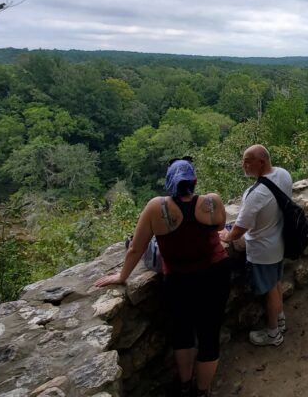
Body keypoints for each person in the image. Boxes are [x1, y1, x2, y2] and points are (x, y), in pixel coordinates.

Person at [95, 158, 229, 397]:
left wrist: (122, 276)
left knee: (183, 334)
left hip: (179, 280)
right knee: (209, 335)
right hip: (214, 275)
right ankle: (202, 391)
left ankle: (185, 385)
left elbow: (136, 248)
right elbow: (220, 227)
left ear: (169, 182)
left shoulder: (156, 207)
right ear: (194, 181)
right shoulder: (212, 201)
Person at [219, 144, 292, 347]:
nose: (243, 165)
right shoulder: (283, 174)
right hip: (279, 241)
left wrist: (226, 236)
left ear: (261, 162)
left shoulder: (256, 194)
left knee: (269, 291)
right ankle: (280, 320)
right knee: (276, 283)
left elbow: (239, 229)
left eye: (247, 161)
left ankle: (273, 334)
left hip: (263, 250)